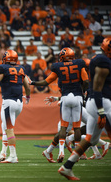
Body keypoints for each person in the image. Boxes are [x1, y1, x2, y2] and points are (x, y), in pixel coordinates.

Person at [58, 38, 111, 180]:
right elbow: (98, 85)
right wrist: (101, 111)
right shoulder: (103, 61)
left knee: (90, 139)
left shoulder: (96, 60)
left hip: (93, 101)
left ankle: (67, 167)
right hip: (102, 102)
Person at [30, 47, 89, 163]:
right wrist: (83, 92)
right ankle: (76, 153)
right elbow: (86, 81)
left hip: (65, 97)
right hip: (77, 96)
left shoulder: (58, 66)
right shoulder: (79, 64)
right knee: (77, 127)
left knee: (63, 127)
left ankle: (61, 151)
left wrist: (32, 82)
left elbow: (46, 81)